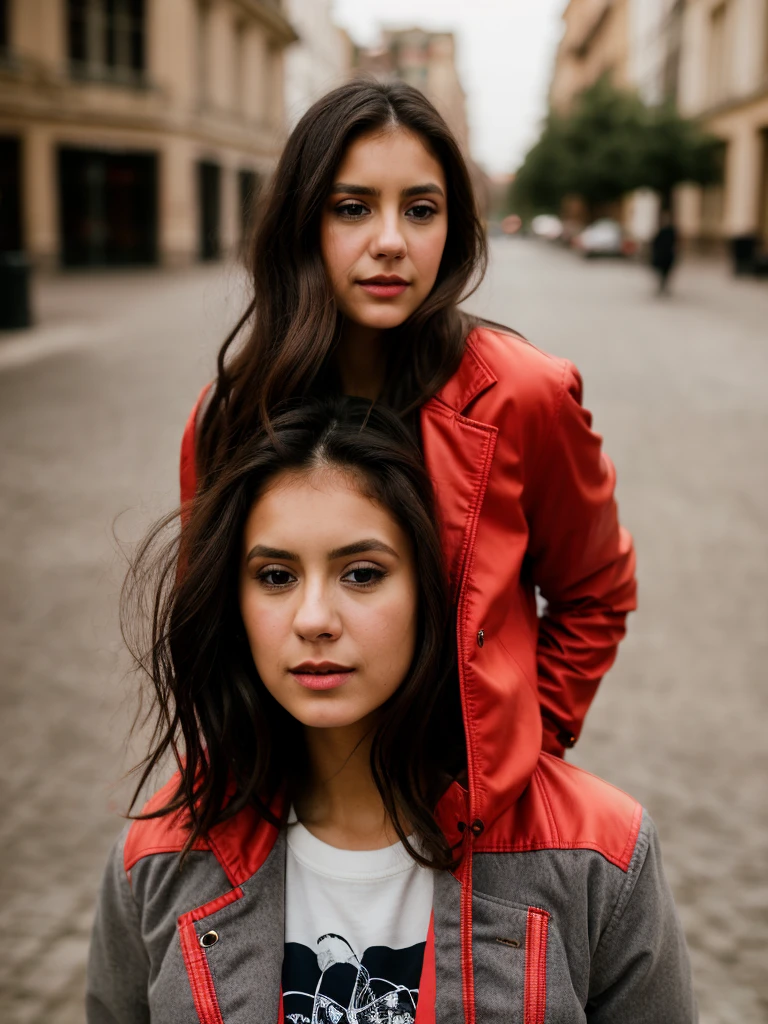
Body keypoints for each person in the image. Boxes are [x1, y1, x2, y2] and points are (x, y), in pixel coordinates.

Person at [87, 399, 694, 1021]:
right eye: (275, 576)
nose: (315, 619)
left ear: (430, 594)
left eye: (361, 573)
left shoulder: (599, 856)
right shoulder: (158, 861)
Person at [179, 78, 637, 763]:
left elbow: (596, 592)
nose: (391, 241)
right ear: (304, 221)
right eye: (354, 207)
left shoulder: (523, 395)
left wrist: (523, 748)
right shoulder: (232, 414)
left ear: (451, 227)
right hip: (288, 799)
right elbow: (211, 616)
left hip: (463, 815)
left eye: (421, 210)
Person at [651, 211, 678, 295]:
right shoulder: (662, 231)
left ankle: (663, 285)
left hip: (667, 255)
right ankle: (662, 285)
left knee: (666, 272)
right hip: (662, 255)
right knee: (662, 272)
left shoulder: (671, 231)